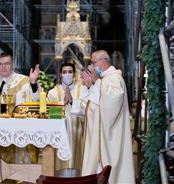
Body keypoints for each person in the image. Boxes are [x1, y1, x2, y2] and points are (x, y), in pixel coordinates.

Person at [79, 50, 134, 183]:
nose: (91, 67)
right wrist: (90, 86)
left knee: (107, 170)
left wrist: (96, 82)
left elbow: (111, 104)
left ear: (103, 61)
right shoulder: (104, 79)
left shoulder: (115, 78)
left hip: (110, 136)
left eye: (93, 63)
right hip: (99, 136)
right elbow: (94, 103)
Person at [47, 63, 84, 172]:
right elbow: (49, 115)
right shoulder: (53, 92)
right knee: (60, 168)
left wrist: (73, 102)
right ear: (60, 74)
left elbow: (88, 110)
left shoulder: (82, 90)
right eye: (64, 72)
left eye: (70, 72)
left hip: (77, 132)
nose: (67, 74)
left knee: (77, 165)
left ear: (74, 74)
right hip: (60, 134)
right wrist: (62, 103)